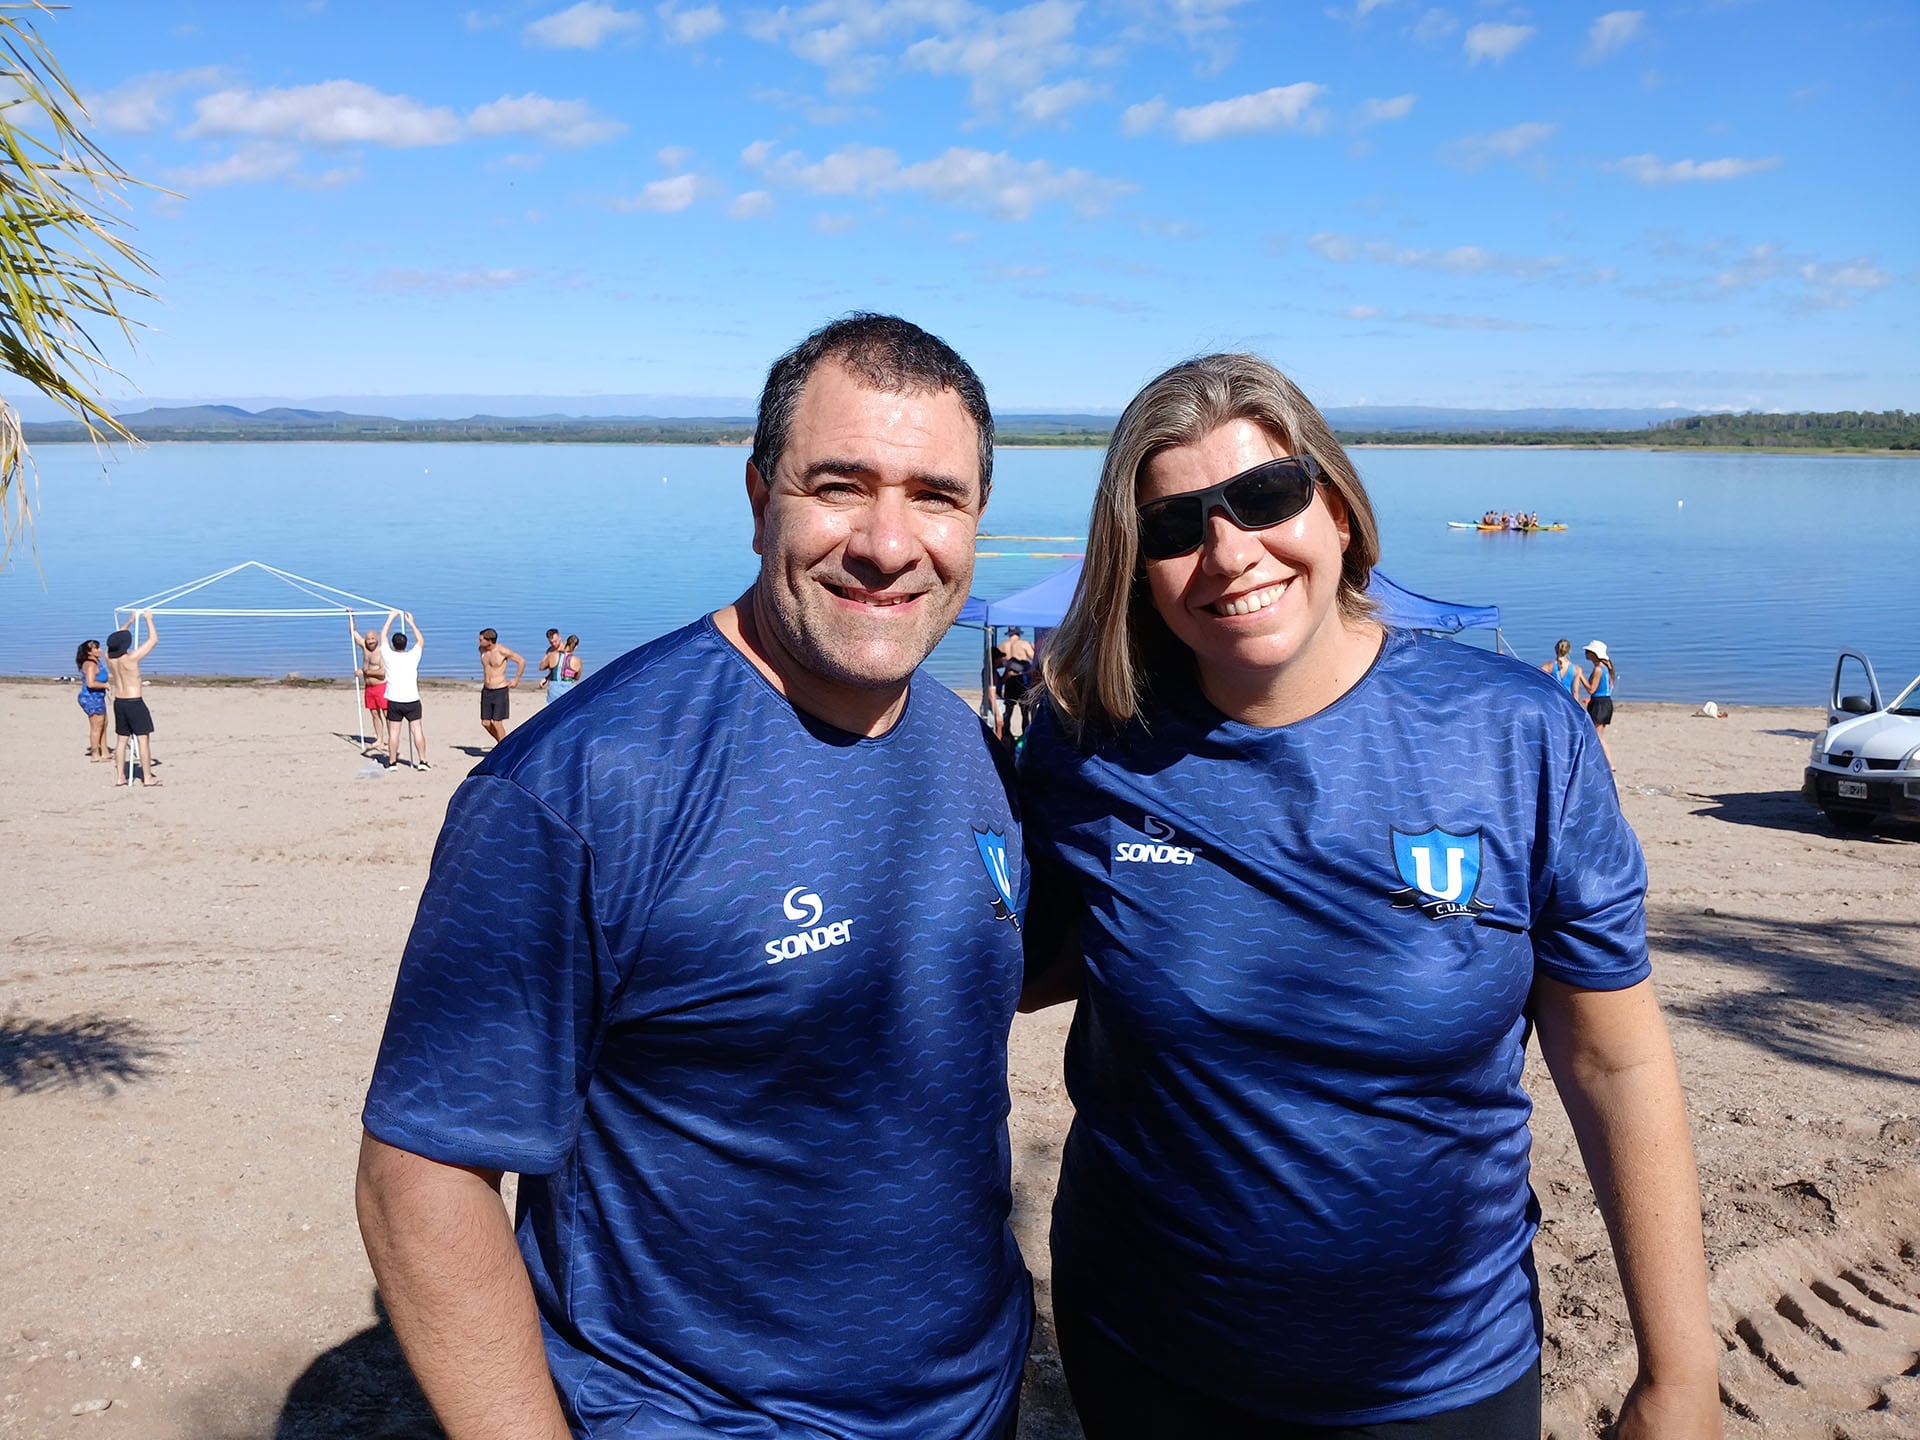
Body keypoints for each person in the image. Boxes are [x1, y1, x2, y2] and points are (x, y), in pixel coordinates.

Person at [357, 313, 1033, 1440]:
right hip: (703, 1414)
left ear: (974, 523)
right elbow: (421, 1177)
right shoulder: (588, 785)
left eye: (935, 496)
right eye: (839, 485)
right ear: (762, 493)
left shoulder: (958, 741)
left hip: (972, 1395)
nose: (885, 540)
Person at [1019, 354, 1720, 1440]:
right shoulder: (1091, 743)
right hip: (1146, 1356)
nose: (1227, 551)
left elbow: (1612, 1058)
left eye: (1263, 498)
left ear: (1338, 509)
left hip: (1437, 1378)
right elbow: (1018, 957)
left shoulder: (1517, 736)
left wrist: (1680, 1376)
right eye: (1174, 526)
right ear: (1135, 565)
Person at [106, 612, 162, 787]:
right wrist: (148, 620)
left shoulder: (109, 657)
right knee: (142, 739)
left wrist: (130, 621)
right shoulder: (130, 659)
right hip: (134, 702)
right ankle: (147, 777)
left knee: (122, 740)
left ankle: (120, 777)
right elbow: (153, 640)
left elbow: (115, 639)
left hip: (119, 702)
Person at [380, 611, 427, 770]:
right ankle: (422, 761)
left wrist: (390, 618)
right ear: (405, 644)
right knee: (417, 730)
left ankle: (392, 762)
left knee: (394, 733)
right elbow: (421, 641)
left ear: (394, 645)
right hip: (412, 700)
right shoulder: (412, 656)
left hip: (395, 700)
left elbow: (383, 636)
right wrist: (411, 623)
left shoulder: (388, 655)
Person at [476, 628, 525, 745]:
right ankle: (502, 743)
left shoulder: (502, 651)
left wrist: (516, 679)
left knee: (497, 723)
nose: (479, 641)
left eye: (481, 639)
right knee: (486, 723)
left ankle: (503, 747)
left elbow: (521, 661)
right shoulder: (481, 650)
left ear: (490, 641)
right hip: (487, 690)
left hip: (500, 690)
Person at [1579, 639, 1618, 765]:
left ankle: (1608, 763)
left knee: (1597, 736)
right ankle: (1604, 761)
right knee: (1599, 734)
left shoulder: (1598, 670)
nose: (1586, 653)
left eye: (1588, 651)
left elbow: (1591, 689)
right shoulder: (1607, 667)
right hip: (1605, 702)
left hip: (1599, 703)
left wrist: (1581, 676)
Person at [994, 625, 1035, 738]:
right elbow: (1034, 659)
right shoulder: (1024, 644)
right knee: (1025, 712)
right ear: (1019, 633)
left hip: (1009, 679)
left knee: (1008, 710)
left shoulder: (1002, 645)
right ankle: (1025, 736)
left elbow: (997, 663)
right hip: (1021, 679)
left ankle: (1006, 735)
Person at [76, 639, 109, 761]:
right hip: (91, 698)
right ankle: (95, 754)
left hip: (99, 697)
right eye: (96, 648)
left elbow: (102, 675)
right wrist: (105, 685)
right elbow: (90, 683)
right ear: (89, 652)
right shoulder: (90, 664)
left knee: (104, 724)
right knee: (96, 726)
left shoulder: (97, 662)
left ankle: (105, 751)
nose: (100, 650)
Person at [357, 628, 388, 757]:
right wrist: (351, 617)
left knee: (387, 714)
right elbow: (354, 634)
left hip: (381, 687)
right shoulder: (364, 648)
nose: (370, 642)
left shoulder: (381, 652)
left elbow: (382, 673)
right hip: (369, 687)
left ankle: (391, 738)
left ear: (377, 639)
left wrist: (365, 672)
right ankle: (379, 738)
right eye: (368, 639)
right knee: (374, 714)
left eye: (372, 639)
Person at [545, 633, 583, 703]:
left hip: (554, 688)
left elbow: (552, 671)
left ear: (565, 642)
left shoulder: (555, 656)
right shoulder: (577, 661)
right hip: (568, 688)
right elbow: (577, 678)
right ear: (576, 647)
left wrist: (546, 678)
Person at [538, 627, 562, 692]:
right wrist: (546, 679)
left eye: (555, 641)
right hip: (553, 683)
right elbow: (541, 667)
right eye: (551, 643)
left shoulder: (566, 649)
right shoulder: (550, 651)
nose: (554, 644)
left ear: (560, 637)